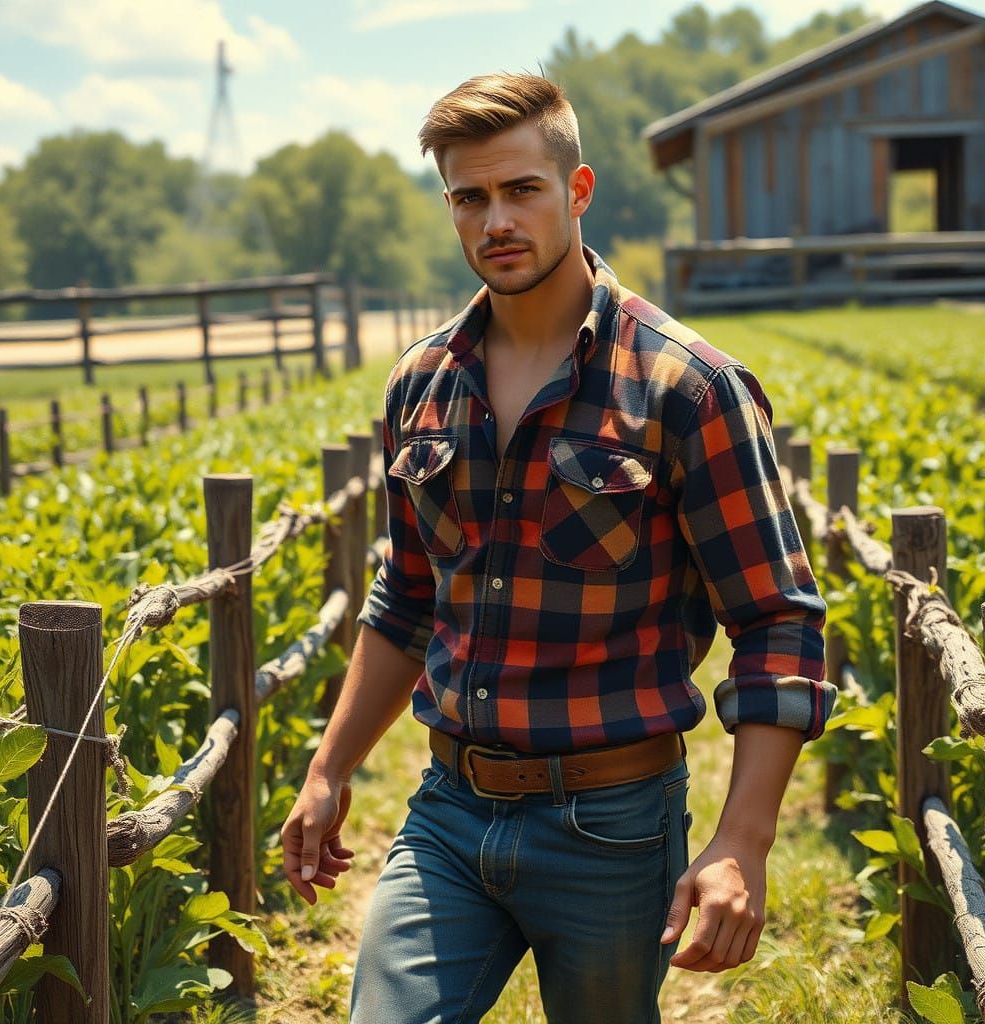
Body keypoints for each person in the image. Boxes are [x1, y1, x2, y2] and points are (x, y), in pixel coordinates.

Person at [281, 72, 835, 1024]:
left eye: (521, 190)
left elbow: (777, 623)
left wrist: (743, 841)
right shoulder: (420, 383)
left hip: (611, 825)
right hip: (448, 811)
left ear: (577, 191)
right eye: (469, 197)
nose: (496, 220)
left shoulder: (687, 388)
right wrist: (328, 770)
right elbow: (406, 600)